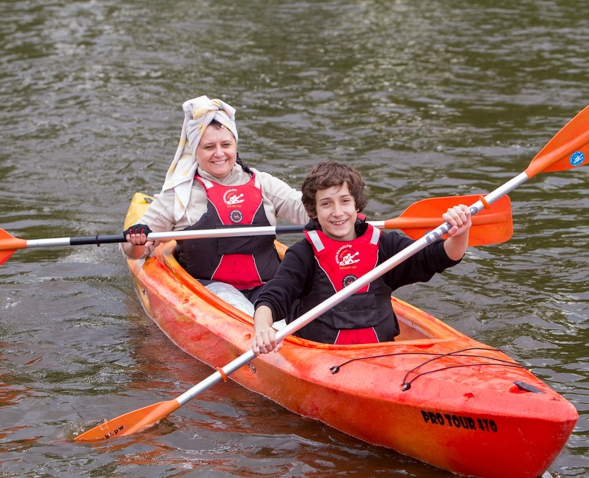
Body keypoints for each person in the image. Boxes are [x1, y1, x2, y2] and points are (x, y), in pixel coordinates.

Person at [252, 161, 472, 353]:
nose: (338, 212)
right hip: (320, 360)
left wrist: (460, 232)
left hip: (380, 357)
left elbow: (439, 257)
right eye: (326, 203)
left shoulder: (385, 245)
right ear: (313, 210)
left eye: (345, 201)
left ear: (356, 203)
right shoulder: (303, 255)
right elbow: (273, 298)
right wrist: (263, 327)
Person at [122, 96, 310, 306]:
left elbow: (305, 209)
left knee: (284, 308)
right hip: (210, 292)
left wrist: (342, 212)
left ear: (235, 145)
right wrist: (136, 242)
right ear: (195, 151)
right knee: (242, 308)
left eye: (226, 144)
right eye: (209, 147)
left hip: (267, 286)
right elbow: (134, 253)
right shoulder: (179, 194)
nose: (219, 153)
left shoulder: (262, 183)